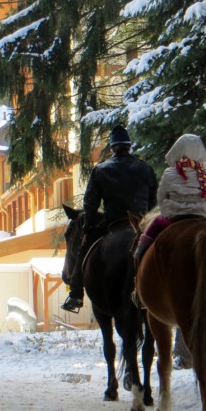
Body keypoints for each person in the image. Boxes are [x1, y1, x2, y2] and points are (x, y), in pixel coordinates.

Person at [62, 124, 158, 312]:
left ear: (112, 148)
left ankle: (75, 294)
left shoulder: (101, 170)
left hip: (112, 221)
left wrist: (89, 227)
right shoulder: (145, 169)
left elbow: (90, 203)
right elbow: (153, 204)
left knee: (83, 250)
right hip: (139, 223)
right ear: (128, 146)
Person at [133, 133, 206, 267]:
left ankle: (139, 256)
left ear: (178, 150)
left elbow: (161, 197)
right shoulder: (205, 174)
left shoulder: (170, 172)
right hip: (201, 215)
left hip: (174, 217)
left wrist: (168, 211)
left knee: (150, 231)